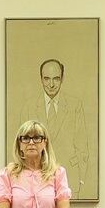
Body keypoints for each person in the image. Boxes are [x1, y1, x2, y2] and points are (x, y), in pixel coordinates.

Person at [37, 58, 87, 194]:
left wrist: (81, 179)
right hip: (37, 181)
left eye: (56, 79)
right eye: (47, 79)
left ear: (62, 78)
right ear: (41, 79)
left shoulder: (75, 105)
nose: (51, 84)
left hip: (70, 178)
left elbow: (82, 146)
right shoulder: (29, 107)